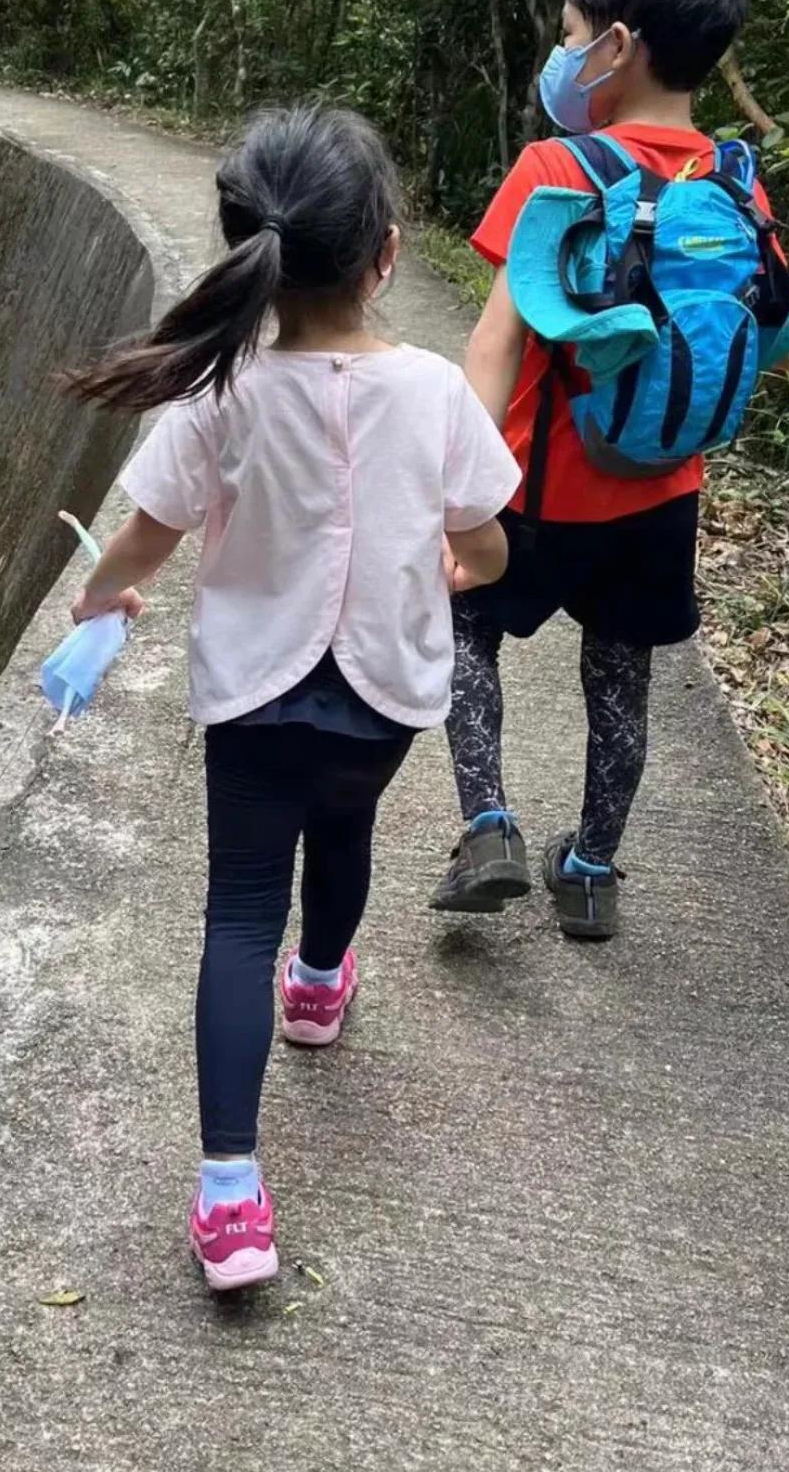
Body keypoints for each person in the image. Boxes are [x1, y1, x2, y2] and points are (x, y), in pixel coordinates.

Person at [61, 106, 520, 1291]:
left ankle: (229, 1200)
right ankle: (320, 990)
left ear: (246, 257)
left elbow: (142, 544)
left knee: (236, 916)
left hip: (254, 705)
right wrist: (456, 563)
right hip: (379, 707)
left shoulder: (218, 396)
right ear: (386, 253)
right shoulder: (430, 393)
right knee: (349, 835)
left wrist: (97, 609)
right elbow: (487, 544)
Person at [431, 0, 789, 940]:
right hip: (661, 499)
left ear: (615, 46)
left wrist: (460, 497)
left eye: (570, 32)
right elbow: (787, 340)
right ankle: (592, 870)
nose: (564, 54)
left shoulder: (560, 171)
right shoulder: (733, 184)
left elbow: (493, 344)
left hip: (537, 491)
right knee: (620, 678)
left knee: (466, 637)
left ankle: (490, 828)